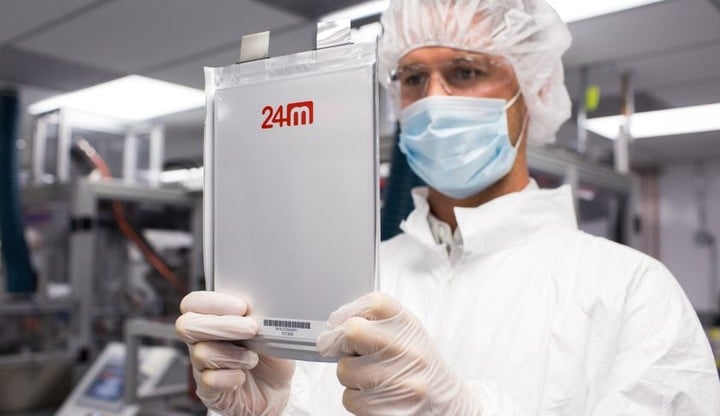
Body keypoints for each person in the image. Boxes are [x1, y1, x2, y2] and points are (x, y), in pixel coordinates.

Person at [175, 0, 720, 414]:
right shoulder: (359, 276)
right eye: (414, 78)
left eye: (465, 72)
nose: (434, 99)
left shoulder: (630, 290)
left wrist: (464, 411)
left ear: (531, 92)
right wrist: (273, 410)